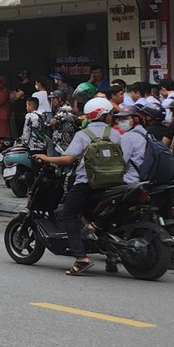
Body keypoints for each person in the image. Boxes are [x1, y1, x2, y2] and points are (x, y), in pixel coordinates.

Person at [37, 98, 143, 276]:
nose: (112, 117)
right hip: (112, 183)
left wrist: (46, 158)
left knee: (68, 214)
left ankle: (81, 258)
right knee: (107, 219)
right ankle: (111, 255)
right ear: (103, 115)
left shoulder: (83, 134)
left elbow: (68, 159)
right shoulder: (116, 134)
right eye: (110, 114)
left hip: (86, 183)